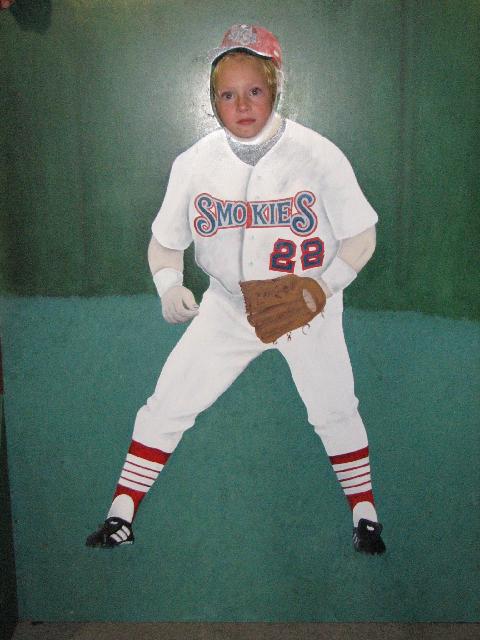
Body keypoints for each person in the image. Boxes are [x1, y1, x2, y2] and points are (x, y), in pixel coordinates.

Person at [86, 24, 386, 554]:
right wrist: (168, 284)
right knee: (170, 399)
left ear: (275, 88)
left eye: (254, 90)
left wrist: (325, 287)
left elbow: (362, 236)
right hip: (228, 305)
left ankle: (364, 512)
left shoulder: (317, 155)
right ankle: (121, 512)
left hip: (307, 303)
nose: (242, 105)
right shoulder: (193, 163)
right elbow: (164, 243)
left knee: (335, 406)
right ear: (212, 99)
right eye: (227, 95)